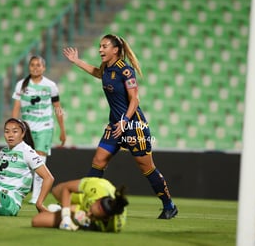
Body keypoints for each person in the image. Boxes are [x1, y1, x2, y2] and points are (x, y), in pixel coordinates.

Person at [62, 34, 178, 219]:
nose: (100, 50)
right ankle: (87, 202)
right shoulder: (106, 69)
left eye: (104, 46)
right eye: (100, 46)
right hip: (115, 126)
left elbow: (135, 99)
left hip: (134, 126)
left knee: (146, 167)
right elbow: (97, 73)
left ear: (115, 50)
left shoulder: (126, 71)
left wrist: (124, 120)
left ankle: (169, 205)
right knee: (98, 161)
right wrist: (76, 61)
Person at [11, 55, 66, 204]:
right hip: (26, 128)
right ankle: (17, 190)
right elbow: (16, 108)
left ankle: (36, 195)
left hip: (44, 127)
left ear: (44, 68)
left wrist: (62, 129)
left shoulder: (50, 85)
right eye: (32, 65)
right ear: (29, 67)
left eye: (38, 65)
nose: (35, 67)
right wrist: (13, 127)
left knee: (39, 158)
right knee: (24, 160)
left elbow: (58, 108)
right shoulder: (21, 85)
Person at [31, 177, 128, 232]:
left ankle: (63, 209)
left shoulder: (115, 225)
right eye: (90, 210)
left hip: (80, 213)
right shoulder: (96, 187)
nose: (88, 214)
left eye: (93, 216)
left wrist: (82, 224)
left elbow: (35, 221)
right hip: (83, 196)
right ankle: (65, 208)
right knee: (56, 191)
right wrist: (66, 217)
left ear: (106, 218)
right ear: (98, 199)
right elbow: (67, 188)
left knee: (37, 221)